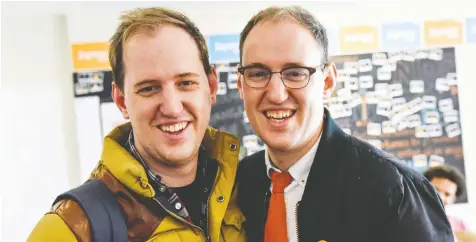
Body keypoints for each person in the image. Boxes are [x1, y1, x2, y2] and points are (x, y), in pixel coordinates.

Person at [236, 5, 454, 242]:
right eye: (257, 73)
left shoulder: (394, 190)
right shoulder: (237, 186)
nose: (276, 94)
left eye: (296, 73)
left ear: (328, 82)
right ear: (240, 85)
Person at [27, 7, 246, 242]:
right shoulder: (71, 228)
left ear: (211, 87)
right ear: (121, 101)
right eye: (149, 88)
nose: (172, 107)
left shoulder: (249, 192)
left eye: (185, 82)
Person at [423, 165, 471, 235]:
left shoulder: (461, 226)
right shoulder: (408, 219)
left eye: (447, 194)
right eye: (435, 190)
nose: (440, 197)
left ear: (453, 199)